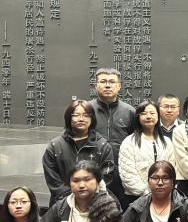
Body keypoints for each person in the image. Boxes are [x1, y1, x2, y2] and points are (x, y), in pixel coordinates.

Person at [42, 99, 115, 206]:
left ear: (92, 118)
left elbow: (106, 176)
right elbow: (52, 179)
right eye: (76, 115)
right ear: (69, 118)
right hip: (62, 204)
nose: (81, 119)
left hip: (94, 204)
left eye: (86, 115)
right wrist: (72, 199)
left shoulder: (103, 146)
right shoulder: (55, 146)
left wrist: (89, 196)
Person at [87, 68, 135, 206]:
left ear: (119, 86)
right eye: (103, 81)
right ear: (96, 85)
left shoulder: (130, 112)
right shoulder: (86, 110)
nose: (107, 85)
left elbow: (136, 142)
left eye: (112, 82)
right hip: (92, 173)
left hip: (122, 174)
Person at [118, 100, 174, 199]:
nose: (148, 116)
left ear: (158, 116)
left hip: (164, 197)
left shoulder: (167, 142)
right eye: (144, 113)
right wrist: (147, 193)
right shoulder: (129, 142)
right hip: (137, 198)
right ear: (138, 117)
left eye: (152, 113)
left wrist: (163, 192)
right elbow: (127, 175)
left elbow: (172, 170)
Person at [39, 161, 115, 222]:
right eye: (75, 181)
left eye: (87, 179)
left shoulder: (109, 206)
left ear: (97, 182)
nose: (81, 185)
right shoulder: (60, 207)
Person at [122, 161, 188, 222]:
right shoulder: (137, 207)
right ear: (148, 181)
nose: (160, 183)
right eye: (155, 178)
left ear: (173, 182)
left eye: (165, 178)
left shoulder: (186, 207)